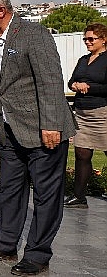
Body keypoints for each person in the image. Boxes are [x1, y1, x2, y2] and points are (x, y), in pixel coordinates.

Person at [0, 0, 76, 276]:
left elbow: (50, 81)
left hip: (44, 130)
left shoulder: (34, 34)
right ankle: (4, 245)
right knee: (9, 191)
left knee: (45, 195)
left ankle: (38, 255)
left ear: (1, 10)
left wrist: (52, 125)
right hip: (9, 132)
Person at [64, 23, 107, 208]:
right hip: (82, 112)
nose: (87, 42)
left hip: (102, 112)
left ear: (104, 39)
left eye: (91, 39)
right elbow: (71, 80)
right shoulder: (83, 59)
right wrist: (74, 85)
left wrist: (89, 88)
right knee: (82, 153)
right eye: (85, 39)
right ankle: (79, 197)